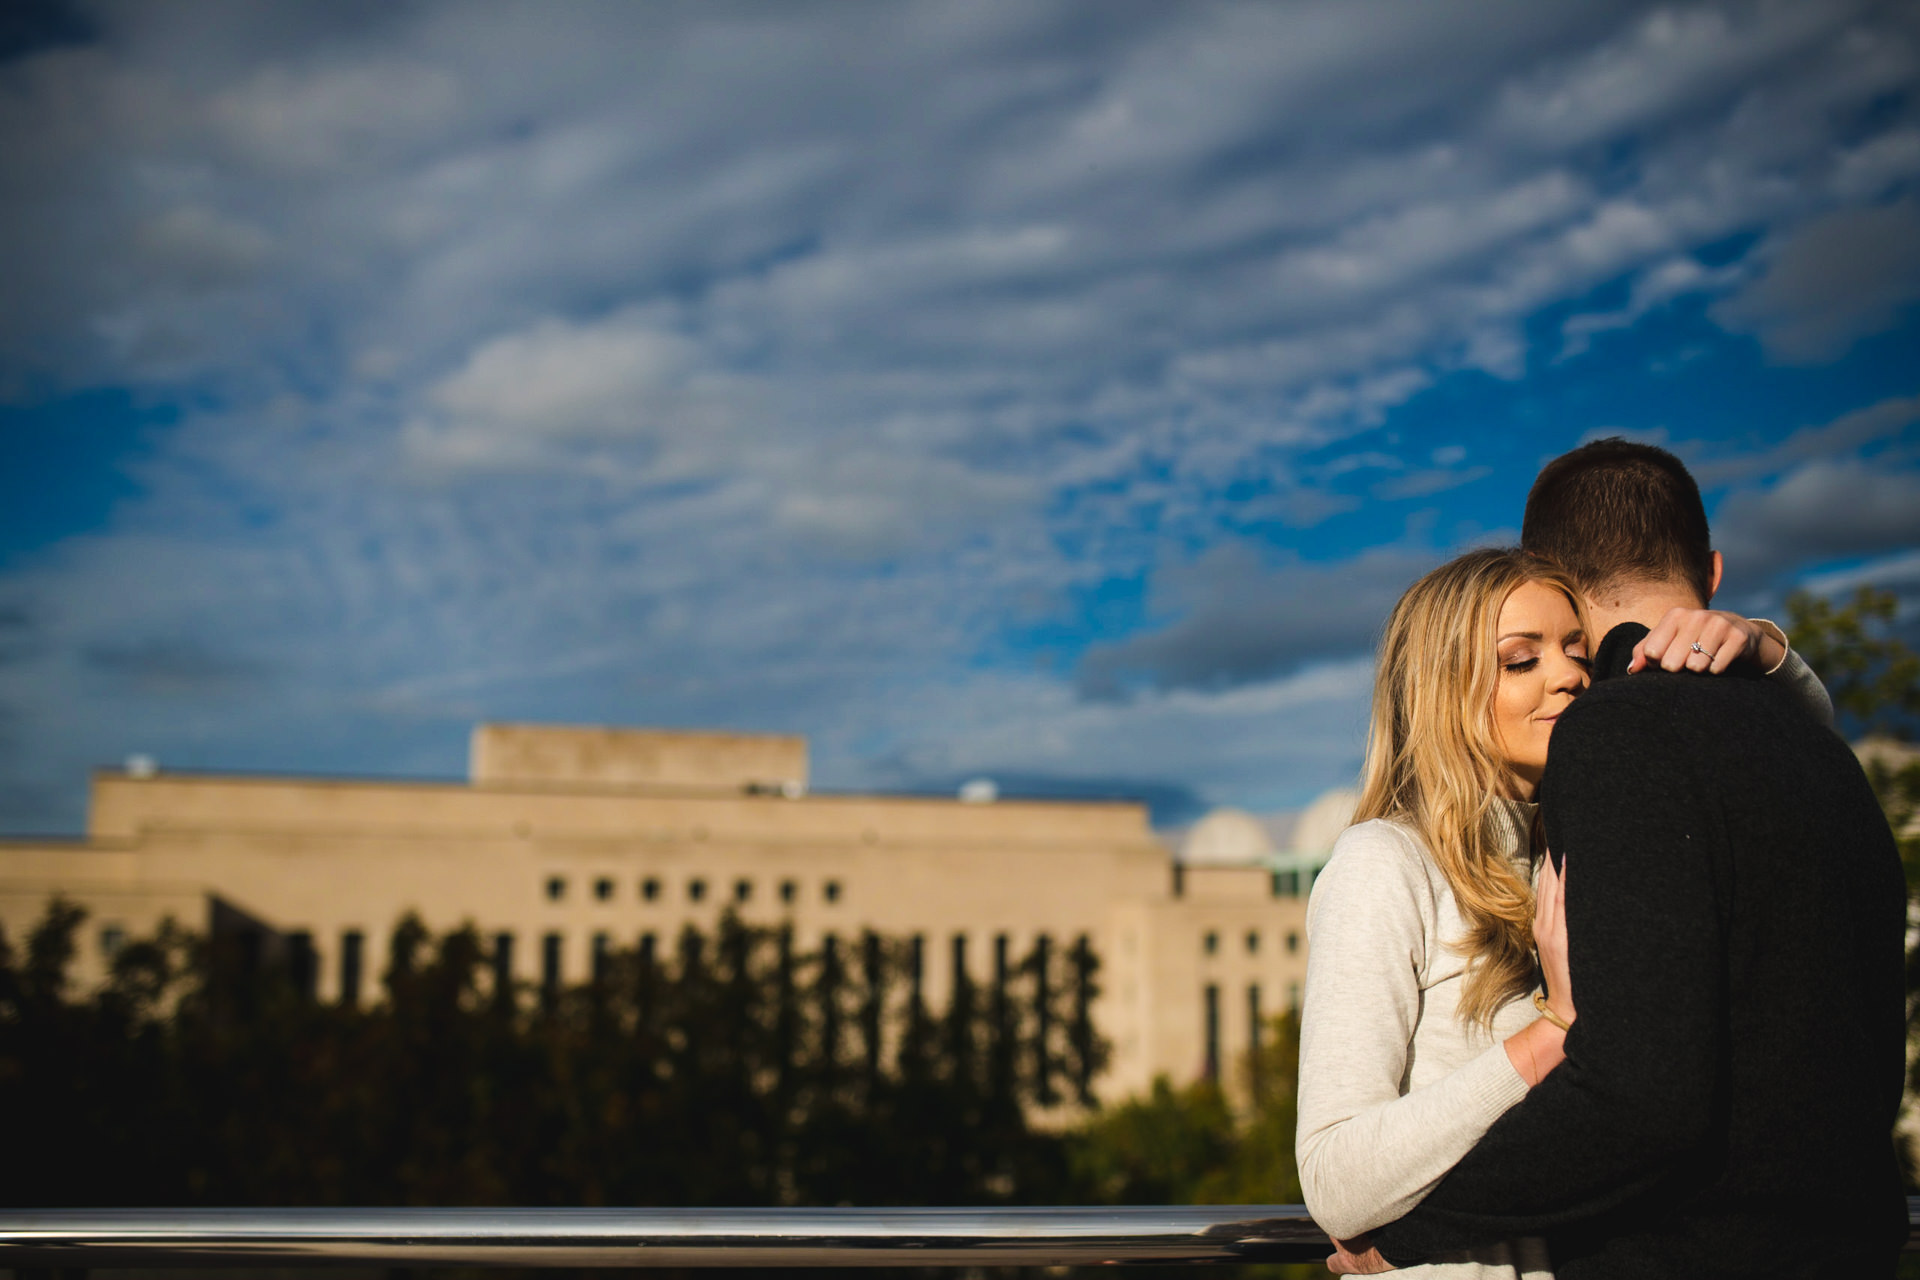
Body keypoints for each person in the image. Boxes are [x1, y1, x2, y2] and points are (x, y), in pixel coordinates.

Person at [1333, 439, 1908, 1278]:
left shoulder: (1618, 736)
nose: (1566, 678)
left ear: (1548, 573)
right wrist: (1769, 651)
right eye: (1524, 658)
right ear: (1711, 573)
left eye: (1562, 648)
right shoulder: (1827, 755)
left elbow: (1641, 1092)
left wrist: (1414, 1235)